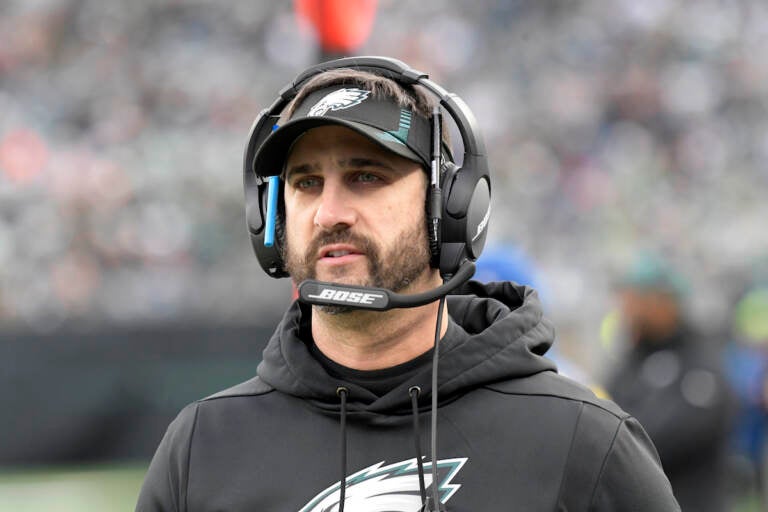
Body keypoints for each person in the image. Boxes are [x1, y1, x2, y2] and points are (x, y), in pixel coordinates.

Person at [136, 56, 679, 511]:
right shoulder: (201, 448)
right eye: (306, 183)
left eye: (366, 176)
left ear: (451, 209)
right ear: (271, 218)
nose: (328, 212)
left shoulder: (584, 442)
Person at [605, 253, 733, 512]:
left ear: (664, 300)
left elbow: (659, 438)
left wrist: (619, 440)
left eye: (637, 298)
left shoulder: (700, 361)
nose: (628, 308)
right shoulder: (629, 363)